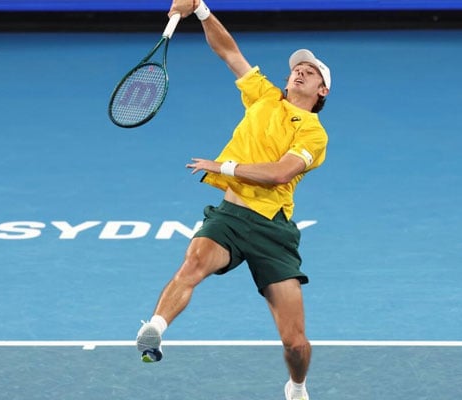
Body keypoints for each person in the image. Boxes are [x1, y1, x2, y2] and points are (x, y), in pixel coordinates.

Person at [136, 1, 330, 399]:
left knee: (295, 342)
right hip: (229, 217)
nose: (300, 71)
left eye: (310, 72)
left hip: (273, 231)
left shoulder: (313, 134)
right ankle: (154, 328)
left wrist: (224, 167)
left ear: (321, 90)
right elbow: (228, 51)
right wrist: (202, 10)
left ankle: (296, 386)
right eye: (298, 67)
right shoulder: (263, 96)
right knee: (193, 262)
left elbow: (279, 173)